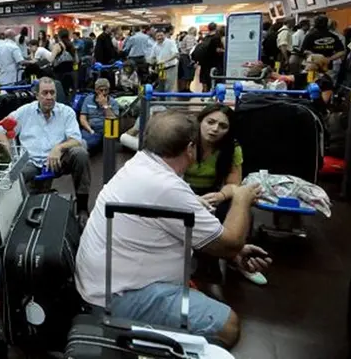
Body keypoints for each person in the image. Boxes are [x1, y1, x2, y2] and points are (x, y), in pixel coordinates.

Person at [75, 110, 271, 348]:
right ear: (190, 148)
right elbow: (230, 241)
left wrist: (235, 253)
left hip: (104, 282)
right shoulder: (165, 186)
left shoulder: (142, 165)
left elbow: (187, 231)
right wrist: (241, 197)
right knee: (227, 327)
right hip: (115, 297)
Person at [185, 105, 266, 285]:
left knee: (239, 210)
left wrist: (220, 196)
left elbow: (233, 184)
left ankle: (237, 258)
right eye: (210, 122)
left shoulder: (232, 148)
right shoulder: (185, 141)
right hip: (182, 189)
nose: (215, 129)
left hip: (213, 192)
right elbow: (170, 175)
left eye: (223, 126)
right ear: (200, 121)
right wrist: (190, 197)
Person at [0, 77, 91, 222]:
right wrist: (11, 153)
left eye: (52, 93)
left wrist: (58, 148)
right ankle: (11, 220)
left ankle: (82, 208)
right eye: (45, 93)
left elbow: (76, 139)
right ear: (37, 95)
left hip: (58, 160)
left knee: (80, 154)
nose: (49, 97)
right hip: (31, 161)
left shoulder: (66, 112)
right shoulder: (25, 111)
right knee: (13, 179)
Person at [79, 78, 119, 153]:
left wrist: (105, 105)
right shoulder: (88, 99)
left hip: (104, 131)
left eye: (106, 90)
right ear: (96, 90)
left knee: (88, 142)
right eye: (101, 90)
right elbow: (82, 118)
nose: (103, 92)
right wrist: (90, 130)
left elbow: (113, 122)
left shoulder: (113, 102)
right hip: (89, 129)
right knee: (76, 139)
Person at [178, 27, 198, 91]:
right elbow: (190, 50)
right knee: (188, 74)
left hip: (185, 57)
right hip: (187, 58)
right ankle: (186, 88)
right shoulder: (190, 37)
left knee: (186, 74)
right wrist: (193, 61)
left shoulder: (187, 37)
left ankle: (186, 88)